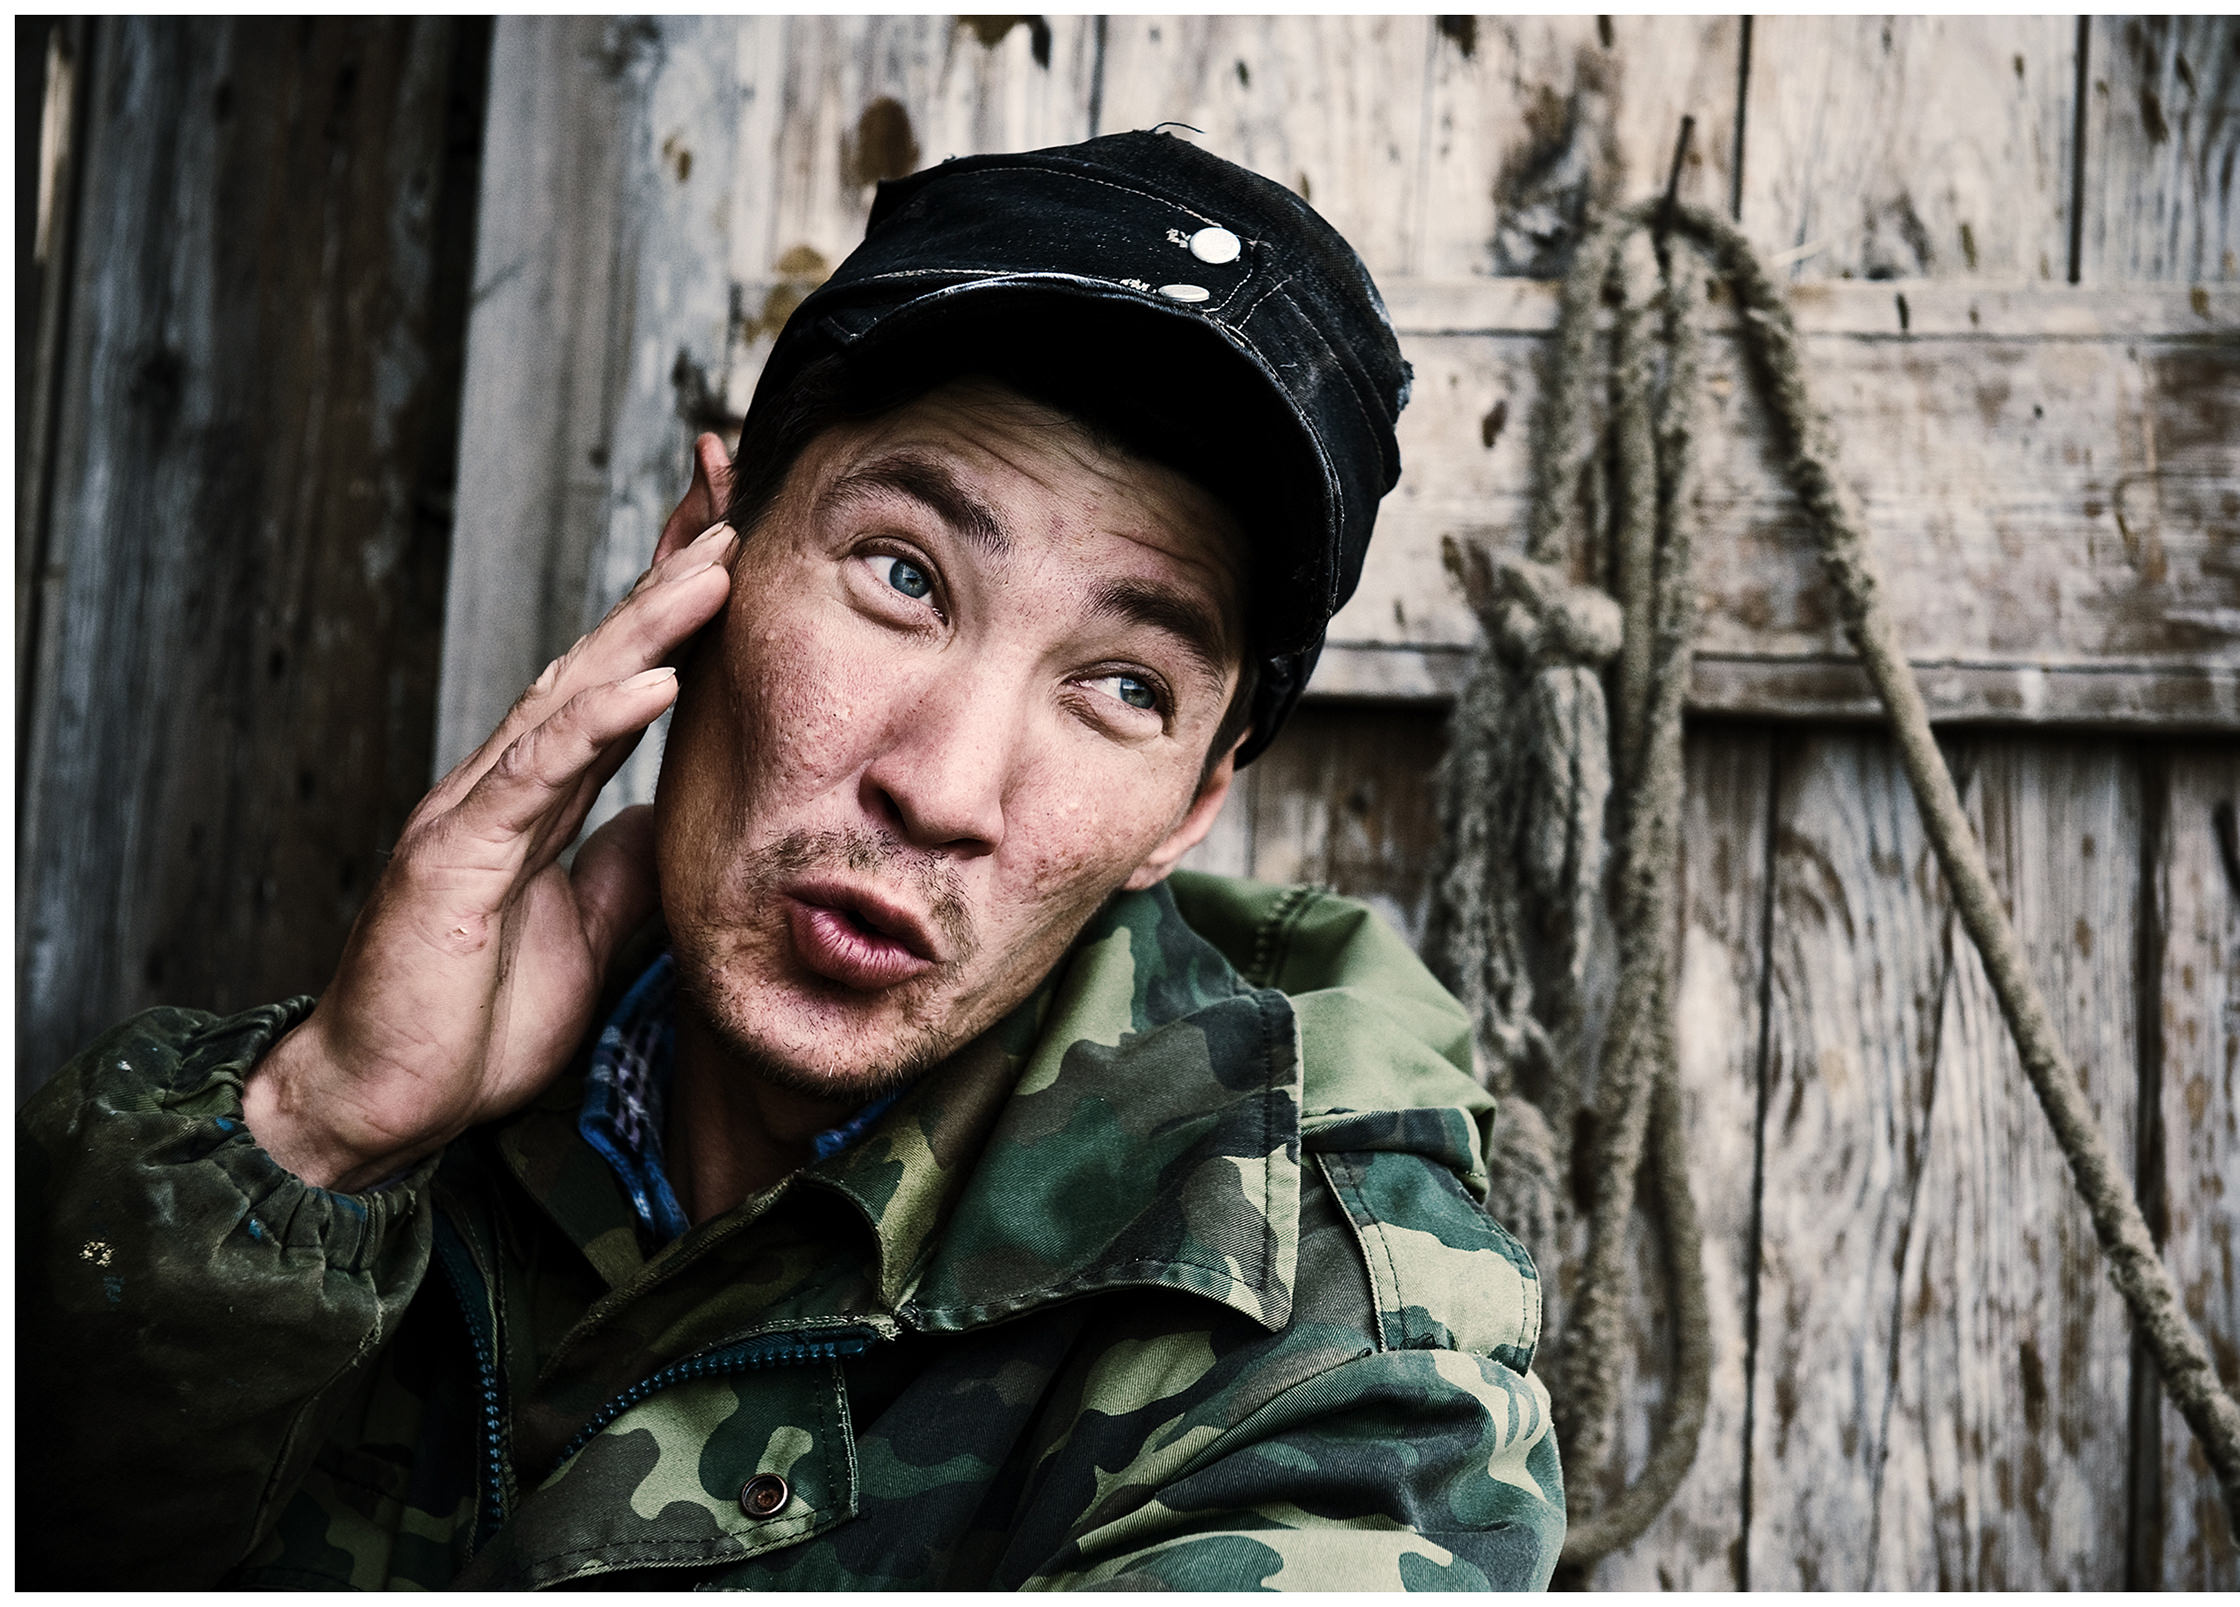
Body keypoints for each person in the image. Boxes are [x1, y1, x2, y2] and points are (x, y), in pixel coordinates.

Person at [20, 131, 1564, 1590]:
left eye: (1124, 688)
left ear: (1189, 808)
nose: (945, 788)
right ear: (708, 552)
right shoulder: (403, 1094)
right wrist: (320, 1129)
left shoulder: (1338, 1344)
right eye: (904, 576)